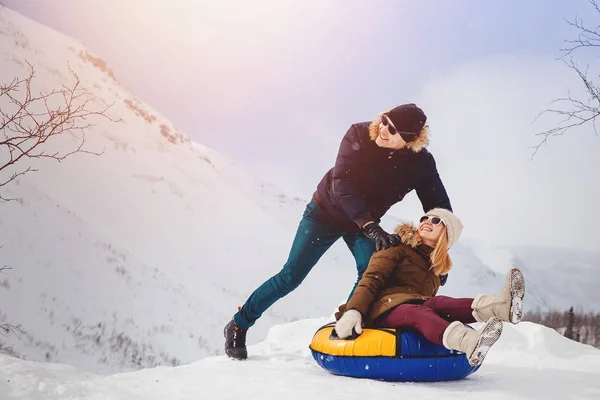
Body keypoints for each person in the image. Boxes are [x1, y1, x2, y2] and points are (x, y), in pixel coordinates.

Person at [224, 103, 453, 360]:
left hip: (365, 224)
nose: (384, 130)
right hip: (325, 214)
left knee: (371, 274)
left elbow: (439, 208)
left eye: (393, 130)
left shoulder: (421, 164)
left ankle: (347, 327)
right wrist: (370, 227)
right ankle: (238, 325)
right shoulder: (358, 134)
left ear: (410, 140)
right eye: (385, 121)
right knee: (291, 276)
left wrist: (439, 255)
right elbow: (342, 184)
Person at [334, 208, 526, 367]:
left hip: (409, 307)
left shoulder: (435, 269)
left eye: (436, 220)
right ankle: (469, 342)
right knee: (418, 312)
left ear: (447, 234)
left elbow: (430, 303)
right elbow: (371, 278)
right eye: (424, 218)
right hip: (381, 308)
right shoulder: (396, 246)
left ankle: (501, 307)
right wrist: (353, 311)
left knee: (440, 303)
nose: (427, 221)